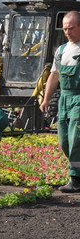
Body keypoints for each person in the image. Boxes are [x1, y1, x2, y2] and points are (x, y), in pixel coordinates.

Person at [39, 10, 80, 193]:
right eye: (64, 29)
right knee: (64, 139)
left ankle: (75, 178)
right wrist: (46, 99)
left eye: (71, 28)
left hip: (79, 98)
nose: (67, 32)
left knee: (76, 138)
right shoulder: (61, 50)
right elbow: (54, 76)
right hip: (64, 98)